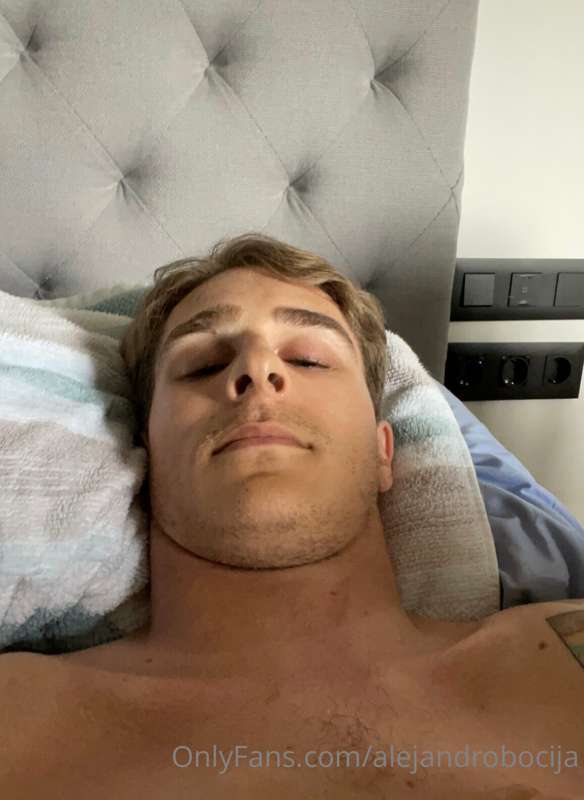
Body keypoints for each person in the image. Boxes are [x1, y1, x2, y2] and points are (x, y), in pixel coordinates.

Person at [1, 234, 583, 799]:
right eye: (201, 365)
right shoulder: (21, 720)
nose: (256, 368)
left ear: (383, 451)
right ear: (148, 450)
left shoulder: (562, 660)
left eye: (309, 358)